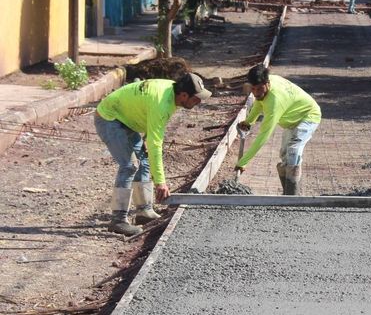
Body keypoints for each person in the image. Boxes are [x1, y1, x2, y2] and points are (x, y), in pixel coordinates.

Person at [95, 73, 211, 236]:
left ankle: (144, 211)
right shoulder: (161, 104)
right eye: (196, 98)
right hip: (110, 118)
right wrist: (160, 182)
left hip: (127, 120)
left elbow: (152, 129)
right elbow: (156, 145)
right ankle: (118, 220)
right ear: (184, 95)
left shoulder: (172, 93)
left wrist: (148, 138)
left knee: (143, 162)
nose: (199, 102)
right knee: (129, 166)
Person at [235, 65, 321, 195]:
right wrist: (249, 121)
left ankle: (292, 196)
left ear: (267, 83)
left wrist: (243, 161)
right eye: (253, 89)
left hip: (308, 116)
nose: (256, 92)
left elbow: (263, 136)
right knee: (284, 155)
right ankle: (287, 193)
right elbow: (259, 102)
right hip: (292, 120)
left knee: (293, 150)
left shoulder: (275, 101)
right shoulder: (267, 85)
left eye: (259, 88)